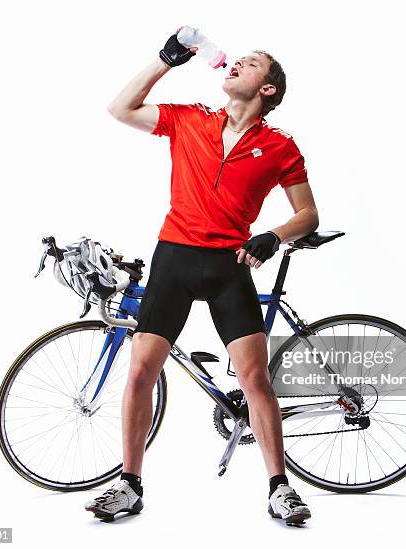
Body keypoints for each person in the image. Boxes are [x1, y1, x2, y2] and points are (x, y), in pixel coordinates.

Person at [85, 29, 319, 525]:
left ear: (268, 89)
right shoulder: (191, 119)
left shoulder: (279, 146)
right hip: (174, 258)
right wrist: (165, 60)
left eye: (251, 64)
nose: (236, 64)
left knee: (255, 379)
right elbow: (120, 109)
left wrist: (274, 235)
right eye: (238, 60)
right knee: (141, 371)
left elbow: (308, 215)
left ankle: (280, 489)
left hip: (229, 266)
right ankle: (129, 484)